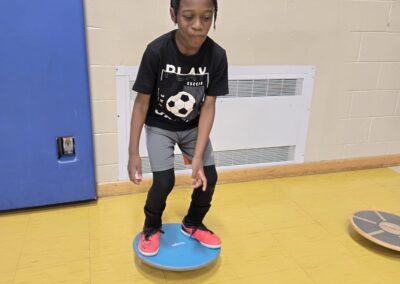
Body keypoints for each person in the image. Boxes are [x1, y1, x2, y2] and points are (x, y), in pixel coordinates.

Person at [128, 0, 228, 256]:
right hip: (160, 125)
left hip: (193, 127)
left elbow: (208, 107)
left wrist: (196, 157)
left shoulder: (217, 56)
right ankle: (151, 227)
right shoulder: (156, 51)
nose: (198, 26)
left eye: (206, 17)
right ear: (173, 14)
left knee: (209, 177)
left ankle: (192, 223)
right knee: (164, 181)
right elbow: (141, 104)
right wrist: (133, 153)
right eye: (188, 17)